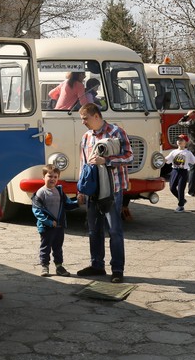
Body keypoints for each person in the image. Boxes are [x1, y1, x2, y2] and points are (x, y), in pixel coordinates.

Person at [76, 102, 133, 284]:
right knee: (94, 230)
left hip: (113, 189)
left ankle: (117, 269)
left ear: (96, 116)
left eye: (85, 118)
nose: (83, 122)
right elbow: (83, 164)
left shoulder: (116, 132)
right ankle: (97, 265)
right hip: (93, 190)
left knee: (114, 230)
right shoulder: (86, 137)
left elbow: (129, 156)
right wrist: (80, 189)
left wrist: (107, 161)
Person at [31, 165, 79, 277]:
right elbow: (37, 210)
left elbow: (67, 204)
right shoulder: (40, 193)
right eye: (49, 176)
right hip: (46, 227)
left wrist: (78, 202)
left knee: (58, 247)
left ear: (58, 178)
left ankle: (59, 266)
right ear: (43, 177)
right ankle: (44, 266)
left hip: (59, 226)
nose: (52, 179)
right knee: (45, 247)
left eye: (55, 177)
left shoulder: (59, 191)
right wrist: (48, 222)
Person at [164, 134, 195, 212]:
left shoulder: (188, 153)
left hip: (183, 172)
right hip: (174, 171)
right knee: (172, 188)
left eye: (181, 140)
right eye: (178, 140)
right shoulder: (173, 152)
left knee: (181, 189)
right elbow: (166, 159)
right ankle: (182, 200)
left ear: (186, 142)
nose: (179, 141)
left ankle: (181, 206)